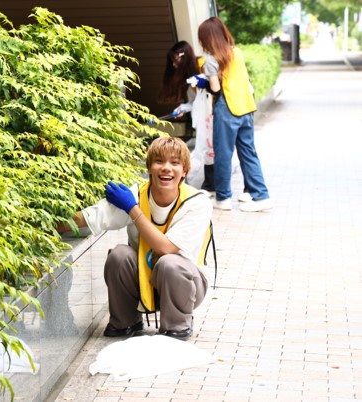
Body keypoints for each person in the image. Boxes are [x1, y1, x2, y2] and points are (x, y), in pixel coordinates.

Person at [59, 137, 213, 340]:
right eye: (159, 161)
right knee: (119, 255)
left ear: (184, 171)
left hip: (186, 287)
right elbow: (89, 218)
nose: (166, 168)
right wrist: (40, 224)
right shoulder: (136, 194)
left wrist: (132, 210)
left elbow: (166, 248)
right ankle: (125, 322)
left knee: (170, 263)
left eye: (175, 163)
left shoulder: (197, 202)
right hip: (142, 281)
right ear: (149, 168)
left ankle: (177, 325)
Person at [194, 17, 272, 212]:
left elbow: (215, 87)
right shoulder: (236, 52)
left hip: (227, 108)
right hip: (246, 107)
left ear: (207, 38)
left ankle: (223, 198)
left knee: (223, 154)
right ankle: (260, 195)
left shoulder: (211, 60)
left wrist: (202, 82)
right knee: (248, 152)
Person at [158, 41, 215, 195]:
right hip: (205, 119)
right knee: (207, 149)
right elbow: (194, 101)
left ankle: (213, 186)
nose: (174, 65)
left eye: (176, 60)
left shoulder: (203, 65)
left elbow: (214, 89)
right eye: (172, 62)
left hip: (215, 115)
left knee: (210, 149)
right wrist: (183, 108)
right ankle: (210, 185)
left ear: (184, 56)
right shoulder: (189, 78)